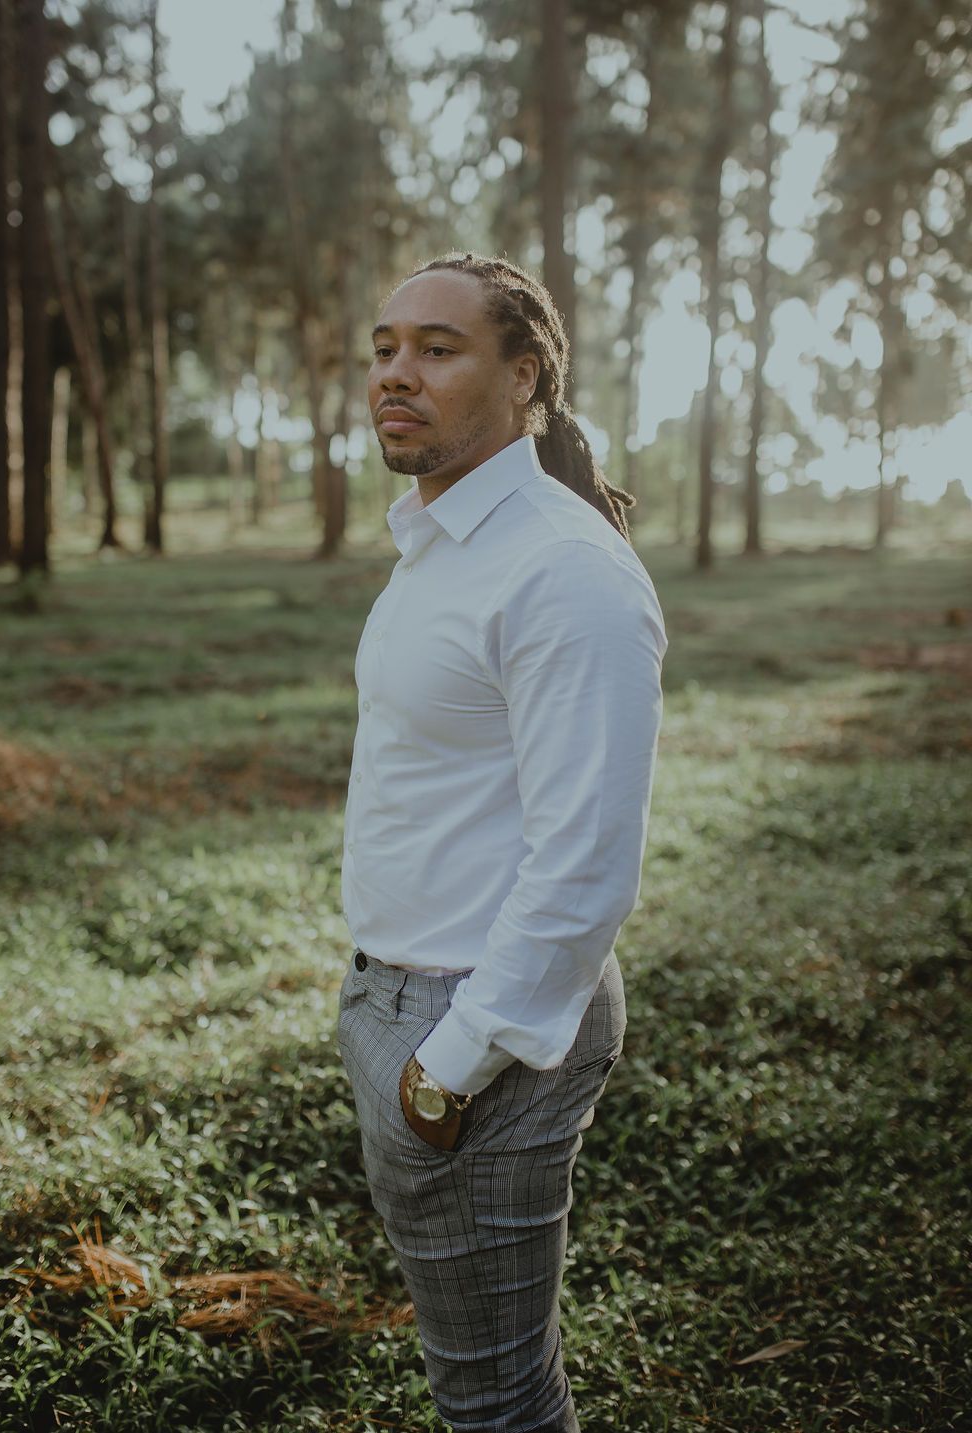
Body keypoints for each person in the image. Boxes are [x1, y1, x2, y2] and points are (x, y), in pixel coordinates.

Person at [337, 252, 668, 1433]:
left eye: (437, 348)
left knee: (496, 1399)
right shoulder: (441, 540)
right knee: (477, 1375)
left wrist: (452, 1063)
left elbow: (586, 863)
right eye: (384, 347)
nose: (395, 374)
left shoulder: (562, 568)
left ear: (524, 374)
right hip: (402, 1002)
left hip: (482, 1034)